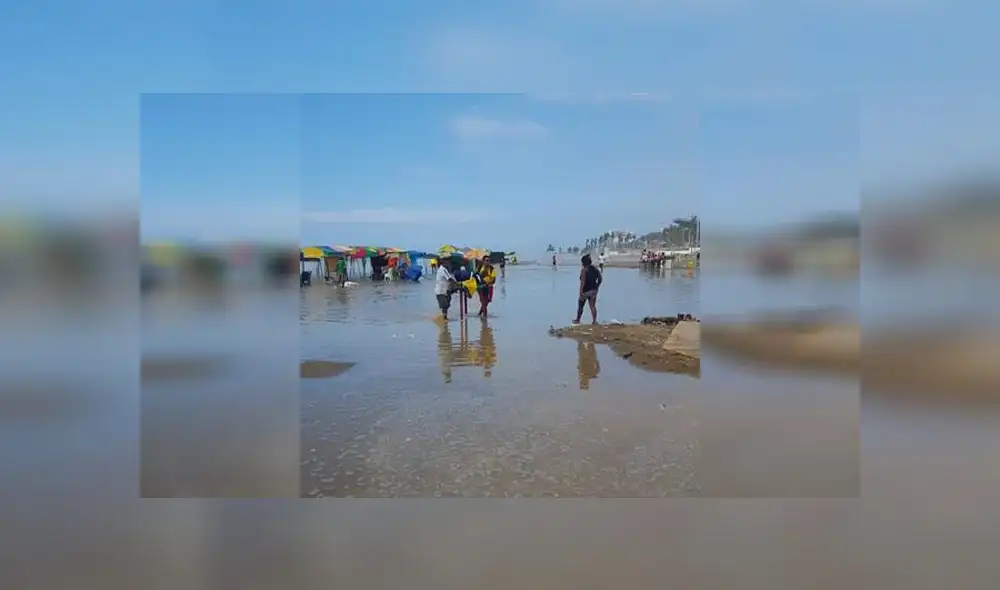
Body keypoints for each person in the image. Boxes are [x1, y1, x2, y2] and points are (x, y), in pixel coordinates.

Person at [573, 253, 602, 325]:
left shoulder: (584, 270)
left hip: (585, 291)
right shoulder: (595, 269)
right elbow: (600, 279)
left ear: (584, 263)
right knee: (592, 306)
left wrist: (581, 293)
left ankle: (578, 320)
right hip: (594, 290)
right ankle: (594, 321)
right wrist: (597, 287)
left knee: (580, 305)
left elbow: (583, 282)